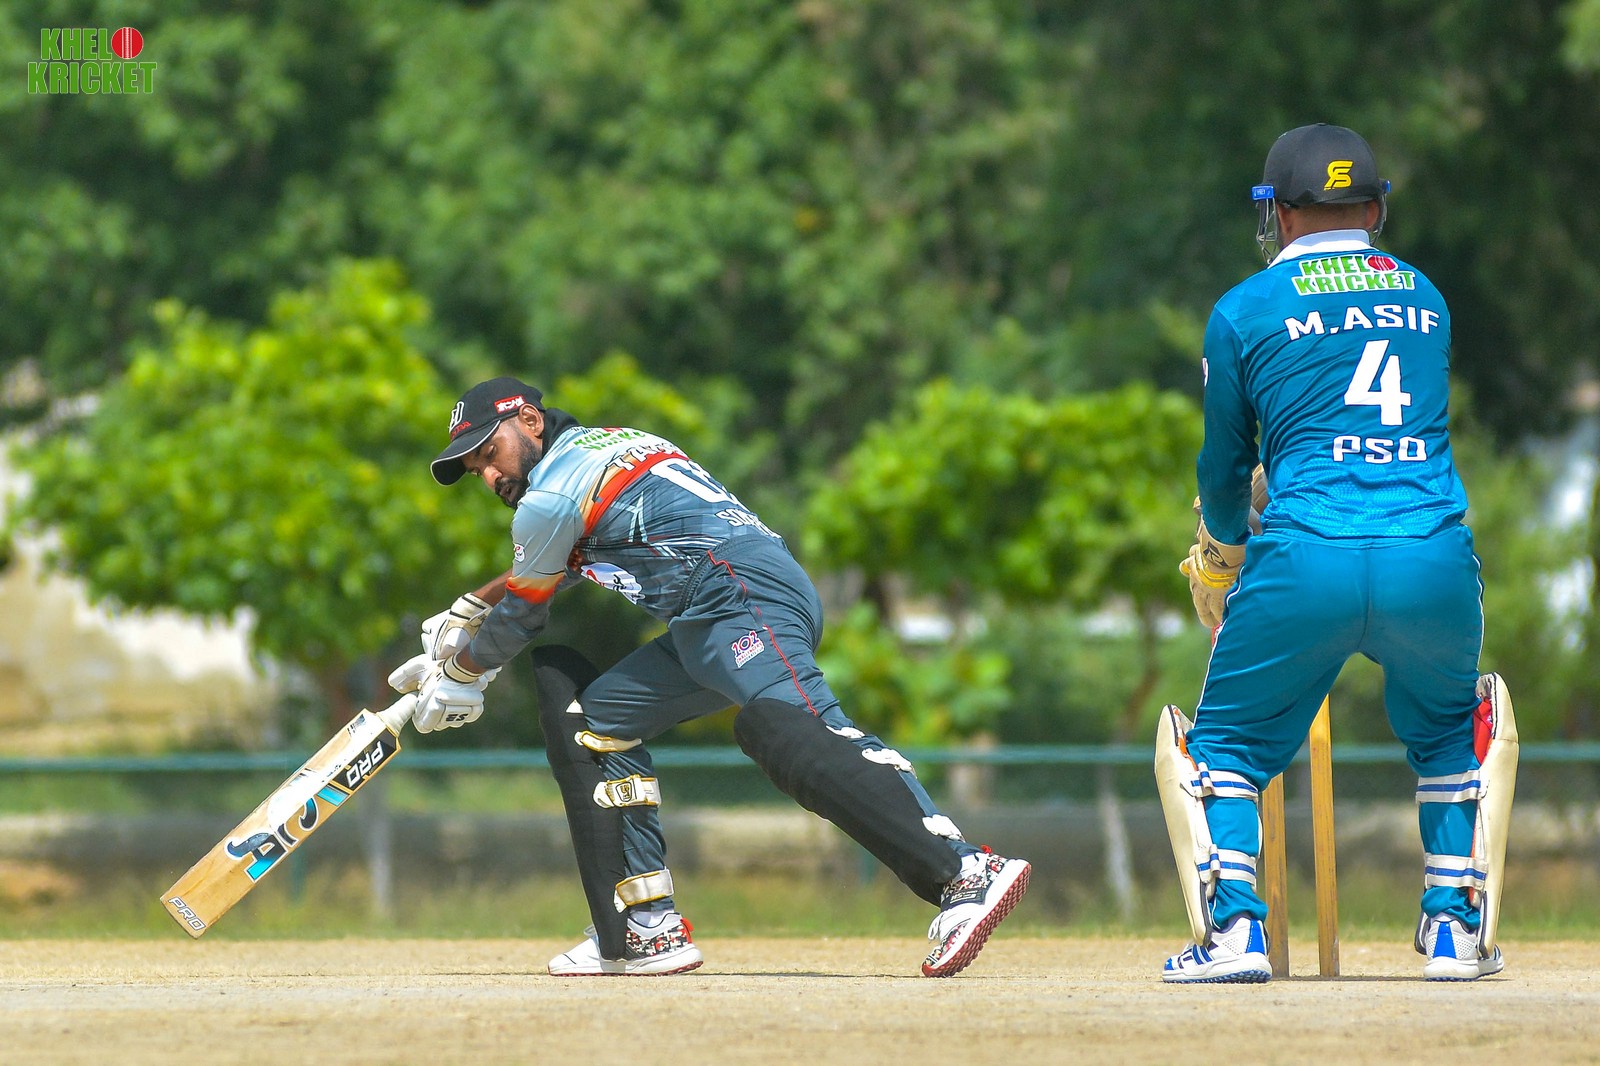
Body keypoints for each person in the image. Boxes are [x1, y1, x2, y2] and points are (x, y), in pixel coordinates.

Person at [390, 376, 1030, 977]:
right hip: (712, 612)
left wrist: (461, 672)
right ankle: (645, 927)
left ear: (529, 420)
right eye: (475, 469)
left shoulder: (549, 496)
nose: (490, 475)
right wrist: (470, 608)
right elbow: (557, 561)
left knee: (800, 731)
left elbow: (527, 611)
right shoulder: (604, 447)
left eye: (490, 453)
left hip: (735, 593)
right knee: (599, 720)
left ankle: (965, 872)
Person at [1156, 124, 1516, 983]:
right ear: (1377, 208)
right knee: (1446, 733)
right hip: (1430, 552)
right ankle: (1453, 931)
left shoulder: (1244, 309)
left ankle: (1233, 935)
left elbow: (1225, 468)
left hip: (1306, 554)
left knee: (1227, 745)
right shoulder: (1425, 297)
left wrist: (1221, 556)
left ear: (1279, 214)